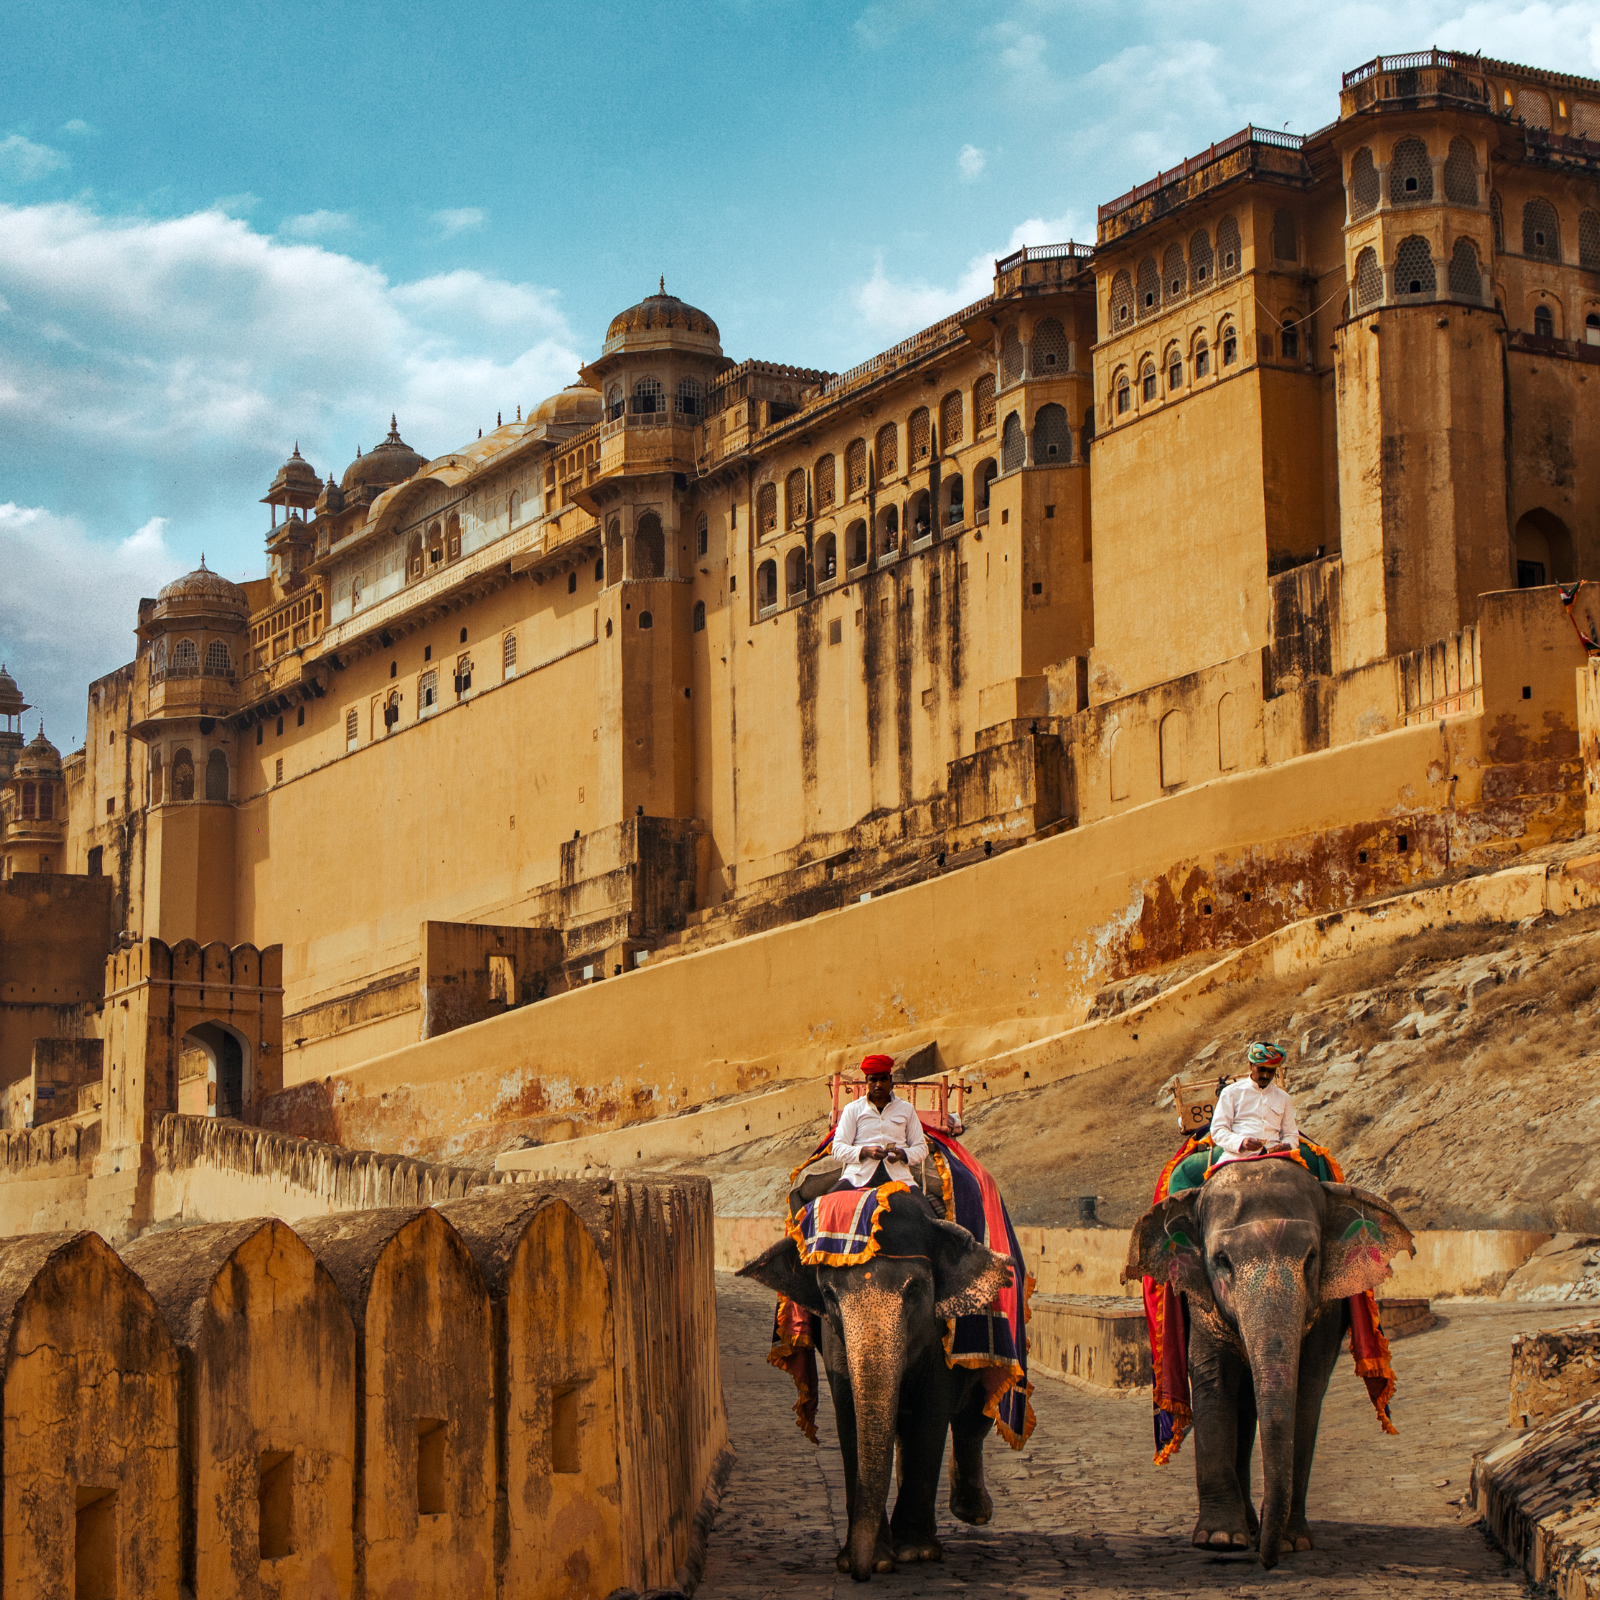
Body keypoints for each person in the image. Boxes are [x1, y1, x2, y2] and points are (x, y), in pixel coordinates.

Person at [830, 1053, 928, 1191]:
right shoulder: (853, 1109)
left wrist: (903, 1154)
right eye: (873, 1080)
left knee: (921, 1205)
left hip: (899, 1177)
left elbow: (922, 1148)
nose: (878, 1085)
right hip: (858, 1177)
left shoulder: (906, 1109)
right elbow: (837, 1149)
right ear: (867, 1081)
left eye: (883, 1079)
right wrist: (864, 1151)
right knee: (829, 1201)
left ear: (890, 1080)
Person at [1209, 1042, 1299, 1165]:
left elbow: (1291, 1134)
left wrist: (1287, 1145)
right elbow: (1218, 1130)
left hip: (1276, 1157)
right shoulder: (1231, 1092)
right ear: (1250, 1065)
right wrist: (1242, 1142)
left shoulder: (1284, 1097)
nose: (1266, 1075)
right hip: (1237, 1157)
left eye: (1271, 1071)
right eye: (1261, 1069)